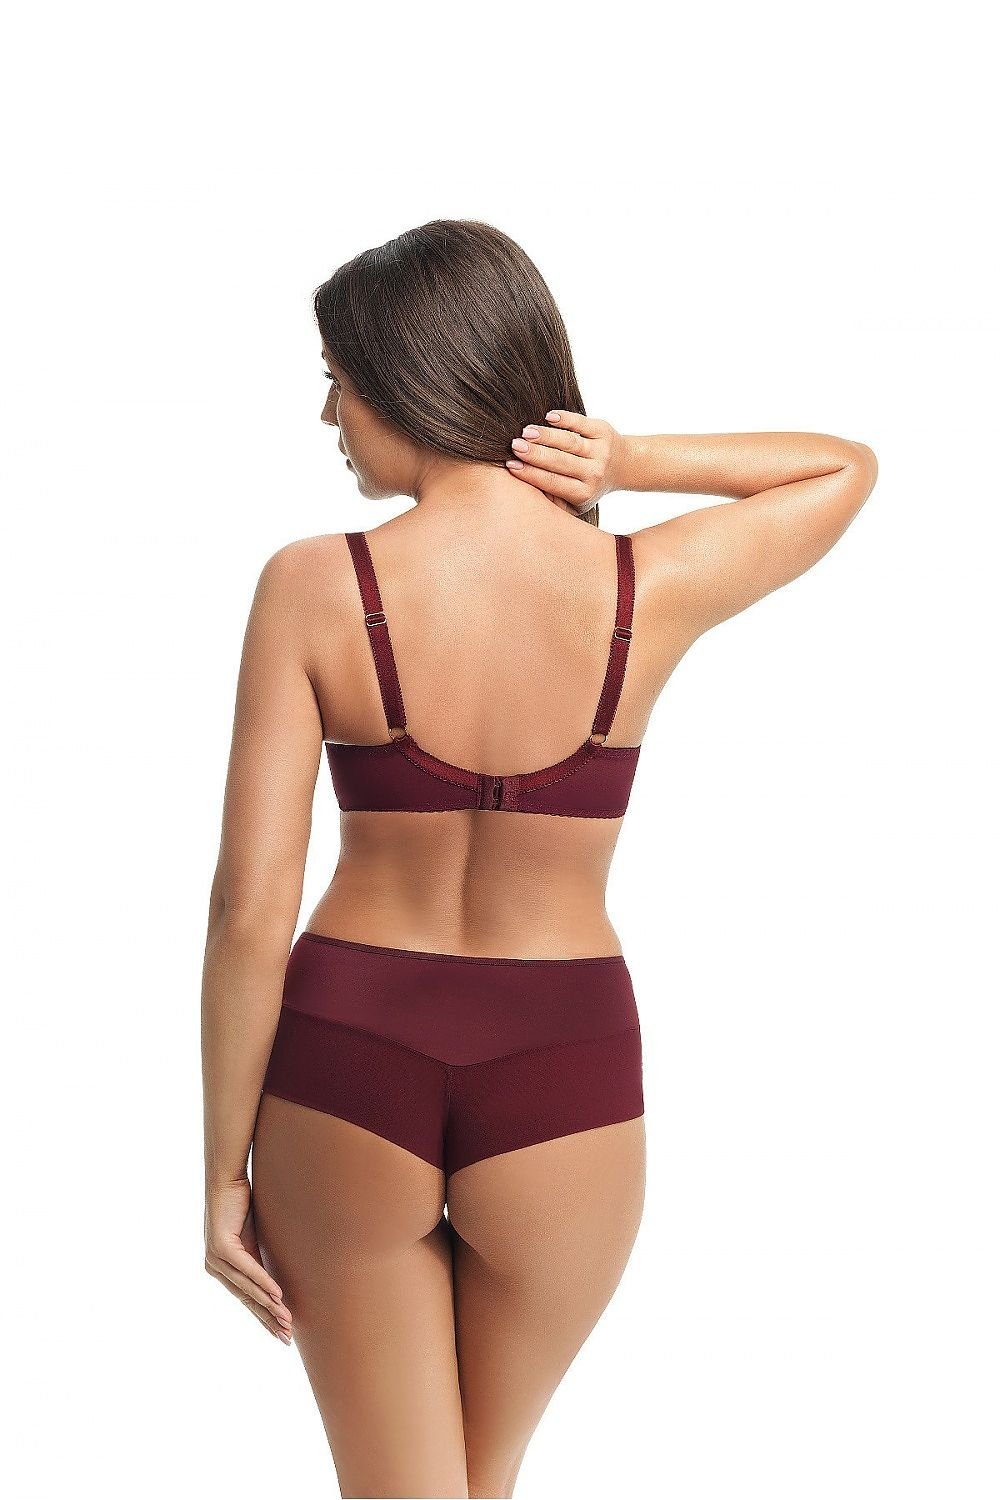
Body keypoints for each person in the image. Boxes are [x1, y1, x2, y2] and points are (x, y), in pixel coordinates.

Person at [201, 219, 878, 1499]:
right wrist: (630, 462)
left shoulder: (313, 586)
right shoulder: (639, 586)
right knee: (479, 1480)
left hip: (349, 1055)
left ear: (408, 374)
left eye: (337, 378)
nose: (328, 413)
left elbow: (249, 908)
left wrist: (221, 1167)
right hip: (562, 1064)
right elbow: (842, 470)